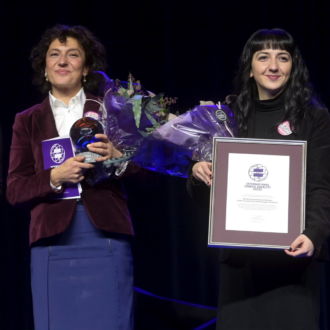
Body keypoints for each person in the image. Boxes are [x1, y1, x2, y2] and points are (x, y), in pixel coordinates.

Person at [187, 28, 330, 329]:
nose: (273, 66)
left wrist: (314, 234)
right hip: (240, 266)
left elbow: (321, 184)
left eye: (283, 57)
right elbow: (207, 199)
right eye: (263, 57)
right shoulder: (226, 118)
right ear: (250, 68)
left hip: (294, 260)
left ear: (294, 66)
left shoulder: (314, 119)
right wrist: (199, 174)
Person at [7, 24, 136, 330]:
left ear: (86, 67)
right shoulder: (26, 121)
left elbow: (149, 173)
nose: (62, 61)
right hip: (52, 244)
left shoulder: (112, 109)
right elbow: (15, 189)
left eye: (72, 54)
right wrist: (55, 175)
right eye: (55, 55)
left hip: (106, 236)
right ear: (45, 67)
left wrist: (118, 157)